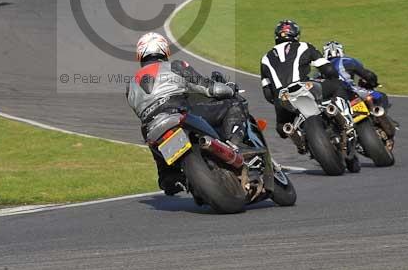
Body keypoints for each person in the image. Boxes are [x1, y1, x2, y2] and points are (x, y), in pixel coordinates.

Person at [126, 32, 248, 195]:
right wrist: (229, 89)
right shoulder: (176, 66)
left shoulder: (130, 85)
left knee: (155, 149)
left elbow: (139, 111)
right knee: (233, 104)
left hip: (152, 128)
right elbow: (209, 88)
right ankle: (235, 146)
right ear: (165, 50)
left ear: (140, 54)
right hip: (178, 113)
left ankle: (168, 176)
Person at [260, 19, 350, 143]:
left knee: (281, 127)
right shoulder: (304, 46)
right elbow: (328, 69)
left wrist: (278, 101)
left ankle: (295, 134)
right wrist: (333, 77)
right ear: (296, 35)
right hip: (305, 87)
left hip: (283, 98)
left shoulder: (265, 59)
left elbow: (267, 93)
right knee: (338, 85)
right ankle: (345, 119)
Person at [322, 41, 397, 134]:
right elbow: (368, 75)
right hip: (351, 90)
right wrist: (373, 83)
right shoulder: (347, 60)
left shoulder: (321, 67)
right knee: (380, 96)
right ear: (341, 51)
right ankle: (380, 118)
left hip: (334, 98)